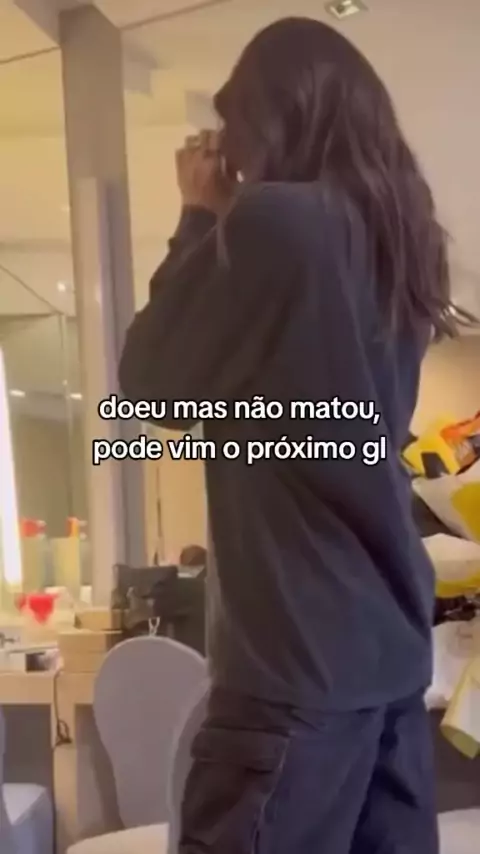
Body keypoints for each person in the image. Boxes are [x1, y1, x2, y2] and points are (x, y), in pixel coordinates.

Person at [119, 17, 471, 854]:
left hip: (292, 660)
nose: (233, 153)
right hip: (386, 651)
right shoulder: (399, 244)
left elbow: (152, 381)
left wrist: (198, 216)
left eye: (236, 125)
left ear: (275, 117)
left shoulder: (279, 224)